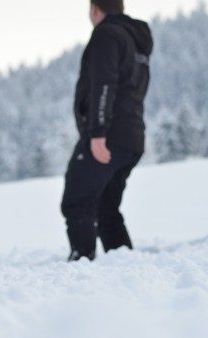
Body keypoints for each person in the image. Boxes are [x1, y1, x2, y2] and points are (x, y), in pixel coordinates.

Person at [61, 0, 153, 261]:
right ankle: (125, 268)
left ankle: (82, 265)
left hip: (109, 136)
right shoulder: (136, 40)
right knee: (105, 208)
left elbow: (104, 84)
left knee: (77, 201)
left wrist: (98, 134)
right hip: (133, 136)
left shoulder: (106, 34)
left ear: (94, 9)